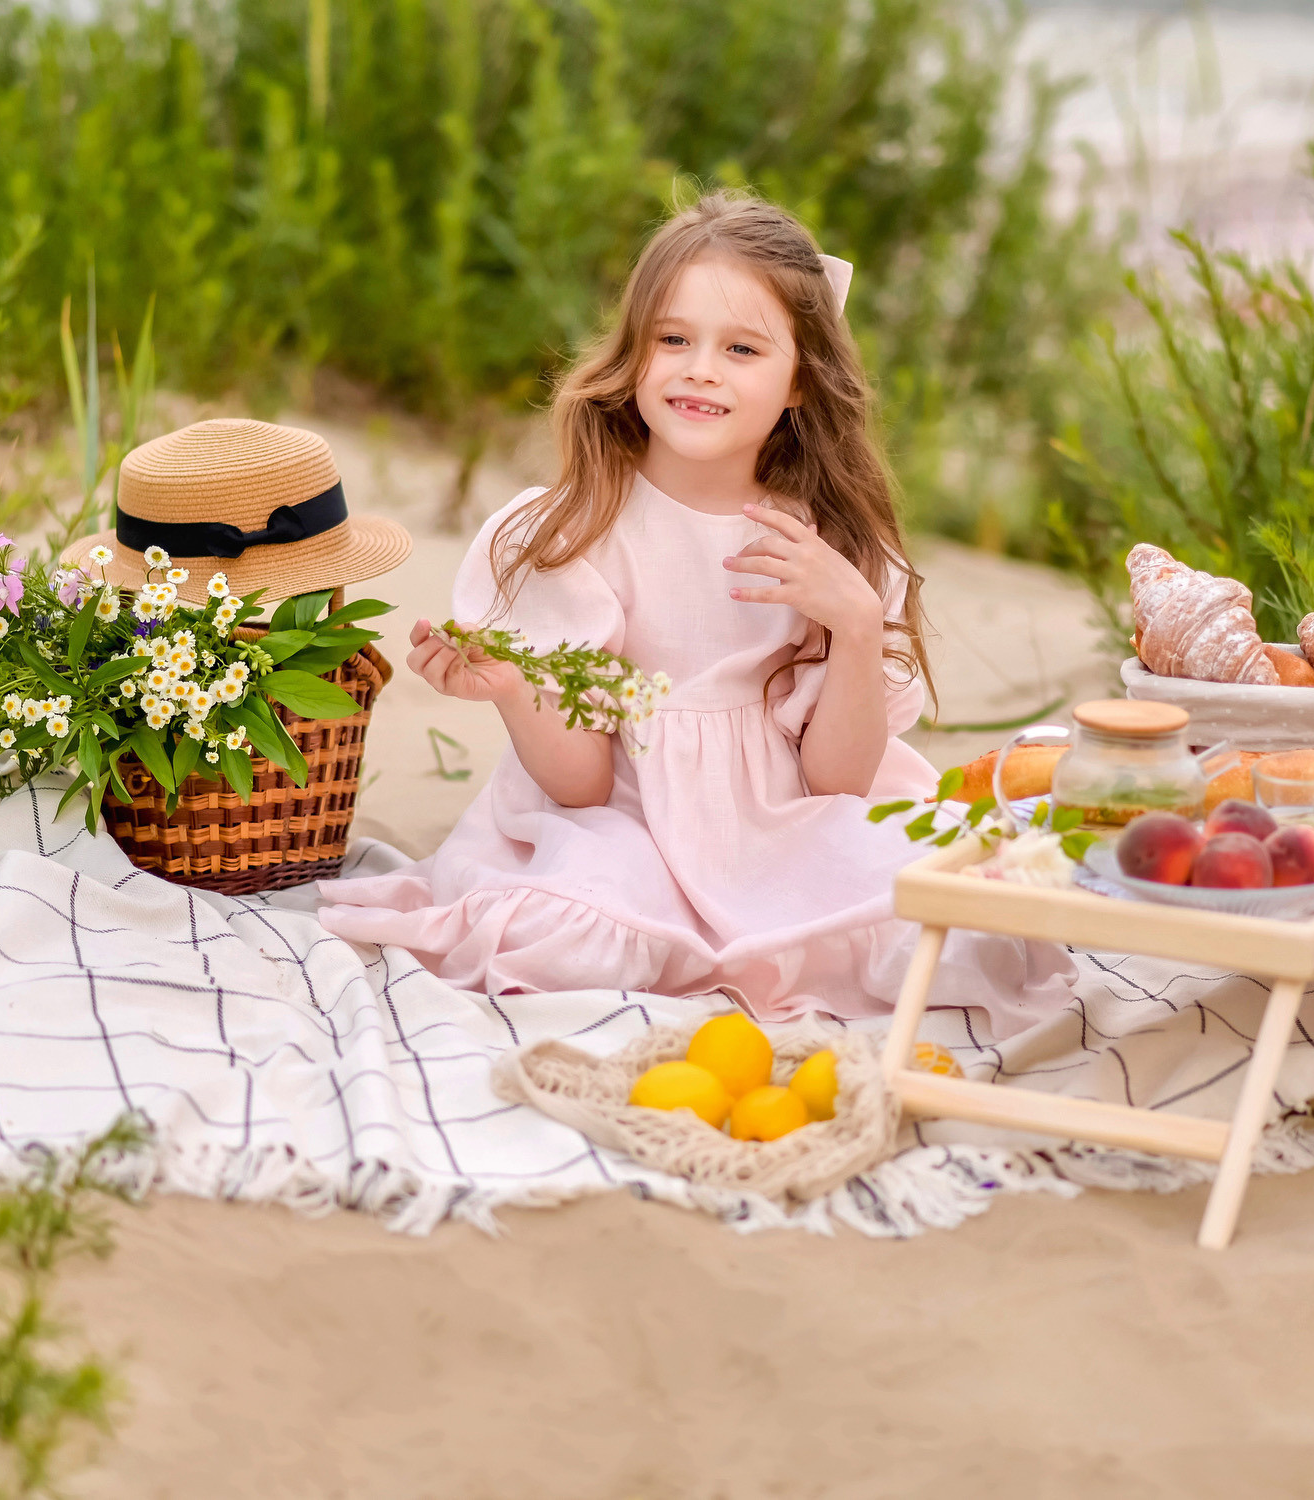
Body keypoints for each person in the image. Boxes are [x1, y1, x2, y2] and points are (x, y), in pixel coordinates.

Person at [318, 191, 1075, 1034]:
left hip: (783, 822)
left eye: (742, 348)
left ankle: (747, 944)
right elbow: (580, 785)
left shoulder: (834, 548)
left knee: (944, 922)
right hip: (624, 826)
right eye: (672, 339)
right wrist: (513, 687)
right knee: (580, 935)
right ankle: (692, 948)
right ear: (633, 355)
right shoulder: (569, 531)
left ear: (799, 383)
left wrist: (855, 626)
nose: (699, 368)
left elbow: (836, 783)